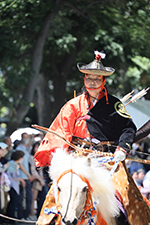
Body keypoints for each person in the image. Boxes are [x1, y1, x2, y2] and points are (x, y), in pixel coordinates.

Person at [34, 51, 150, 224]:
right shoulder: (72, 105)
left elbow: (128, 129)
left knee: (128, 195)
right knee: (55, 194)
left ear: (103, 81)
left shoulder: (114, 104)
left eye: (97, 79)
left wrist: (122, 148)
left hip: (109, 158)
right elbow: (61, 132)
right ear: (84, 80)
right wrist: (60, 158)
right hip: (78, 159)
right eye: (89, 78)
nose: (92, 82)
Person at [15, 132, 35, 220]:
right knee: (21, 198)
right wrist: (28, 175)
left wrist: (31, 138)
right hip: (22, 177)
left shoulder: (26, 148)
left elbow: (30, 145)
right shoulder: (19, 149)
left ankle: (26, 216)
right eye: (25, 137)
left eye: (27, 137)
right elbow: (20, 164)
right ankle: (21, 216)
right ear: (22, 138)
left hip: (27, 177)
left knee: (28, 198)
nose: (26, 139)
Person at [5, 150, 25, 223]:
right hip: (12, 185)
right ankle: (11, 218)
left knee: (12, 202)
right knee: (14, 202)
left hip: (14, 185)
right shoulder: (13, 164)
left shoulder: (15, 164)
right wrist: (21, 179)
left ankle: (9, 217)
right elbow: (12, 176)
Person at [29, 141, 45, 221]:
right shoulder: (31, 157)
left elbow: (40, 171)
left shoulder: (40, 157)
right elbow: (33, 171)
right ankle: (31, 214)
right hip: (34, 180)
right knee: (33, 198)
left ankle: (35, 214)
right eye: (36, 147)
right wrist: (40, 180)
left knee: (37, 198)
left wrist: (41, 179)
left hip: (39, 180)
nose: (37, 149)